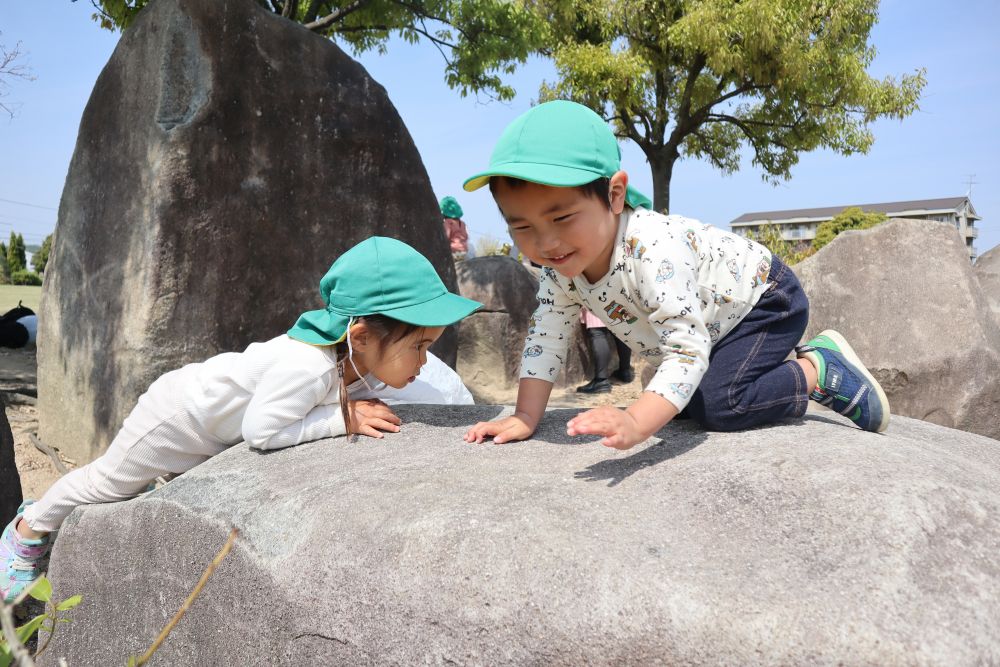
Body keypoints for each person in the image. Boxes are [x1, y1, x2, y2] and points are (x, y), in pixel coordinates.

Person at [1, 237, 481, 602]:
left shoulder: (360, 365)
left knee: (146, 491)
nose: (424, 361)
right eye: (418, 346)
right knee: (106, 481)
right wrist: (343, 420)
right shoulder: (308, 365)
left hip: (212, 431)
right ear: (359, 334)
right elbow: (262, 432)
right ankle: (29, 532)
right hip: (178, 417)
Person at [462, 100, 890, 450]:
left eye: (562, 217)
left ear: (614, 195)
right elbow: (546, 337)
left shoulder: (651, 251)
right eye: (522, 227)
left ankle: (817, 367)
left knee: (721, 405)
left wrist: (636, 420)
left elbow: (685, 350)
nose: (546, 243)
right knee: (684, 401)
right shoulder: (560, 270)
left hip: (762, 301)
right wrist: (524, 416)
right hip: (710, 324)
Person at [576, 308, 634, 394]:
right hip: (619, 297)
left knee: (597, 331)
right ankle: (625, 372)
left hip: (597, 297)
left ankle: (601, 381)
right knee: (620, 330)